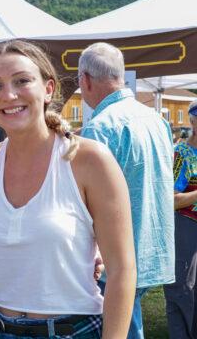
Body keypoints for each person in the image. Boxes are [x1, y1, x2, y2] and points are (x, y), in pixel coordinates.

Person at [0, 40, 136, 338]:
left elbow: (122, 271)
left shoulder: (89, 160)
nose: (9, 95)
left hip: (71, 330)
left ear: (47, 89)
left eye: (22, 81)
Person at [79, 42, 175, 339]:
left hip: (116, 256)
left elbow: (87, 201)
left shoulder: (99, 127)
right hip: (153, 247)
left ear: (85, 80)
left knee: (119, 328)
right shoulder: (157, 120)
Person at [165, 99, 197, 339]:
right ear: (193, 122)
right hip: (185, 227)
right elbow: (171, 199)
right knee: (183, 292)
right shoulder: (181, 154)